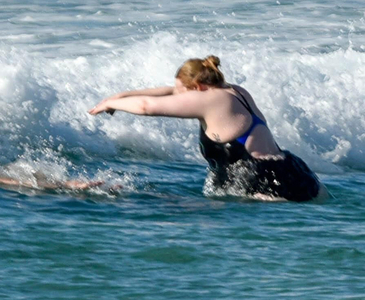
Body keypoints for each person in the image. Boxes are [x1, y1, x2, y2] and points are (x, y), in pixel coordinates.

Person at [89, 55, 322, 202]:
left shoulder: (210, 100)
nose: (177, 98)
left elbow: (146, 106)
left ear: (198, 87)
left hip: (261, 183)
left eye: (182, 92)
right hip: (295, 172)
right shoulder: (235, 91)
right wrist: (120, 96)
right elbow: (169, 91)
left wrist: (111, 104)